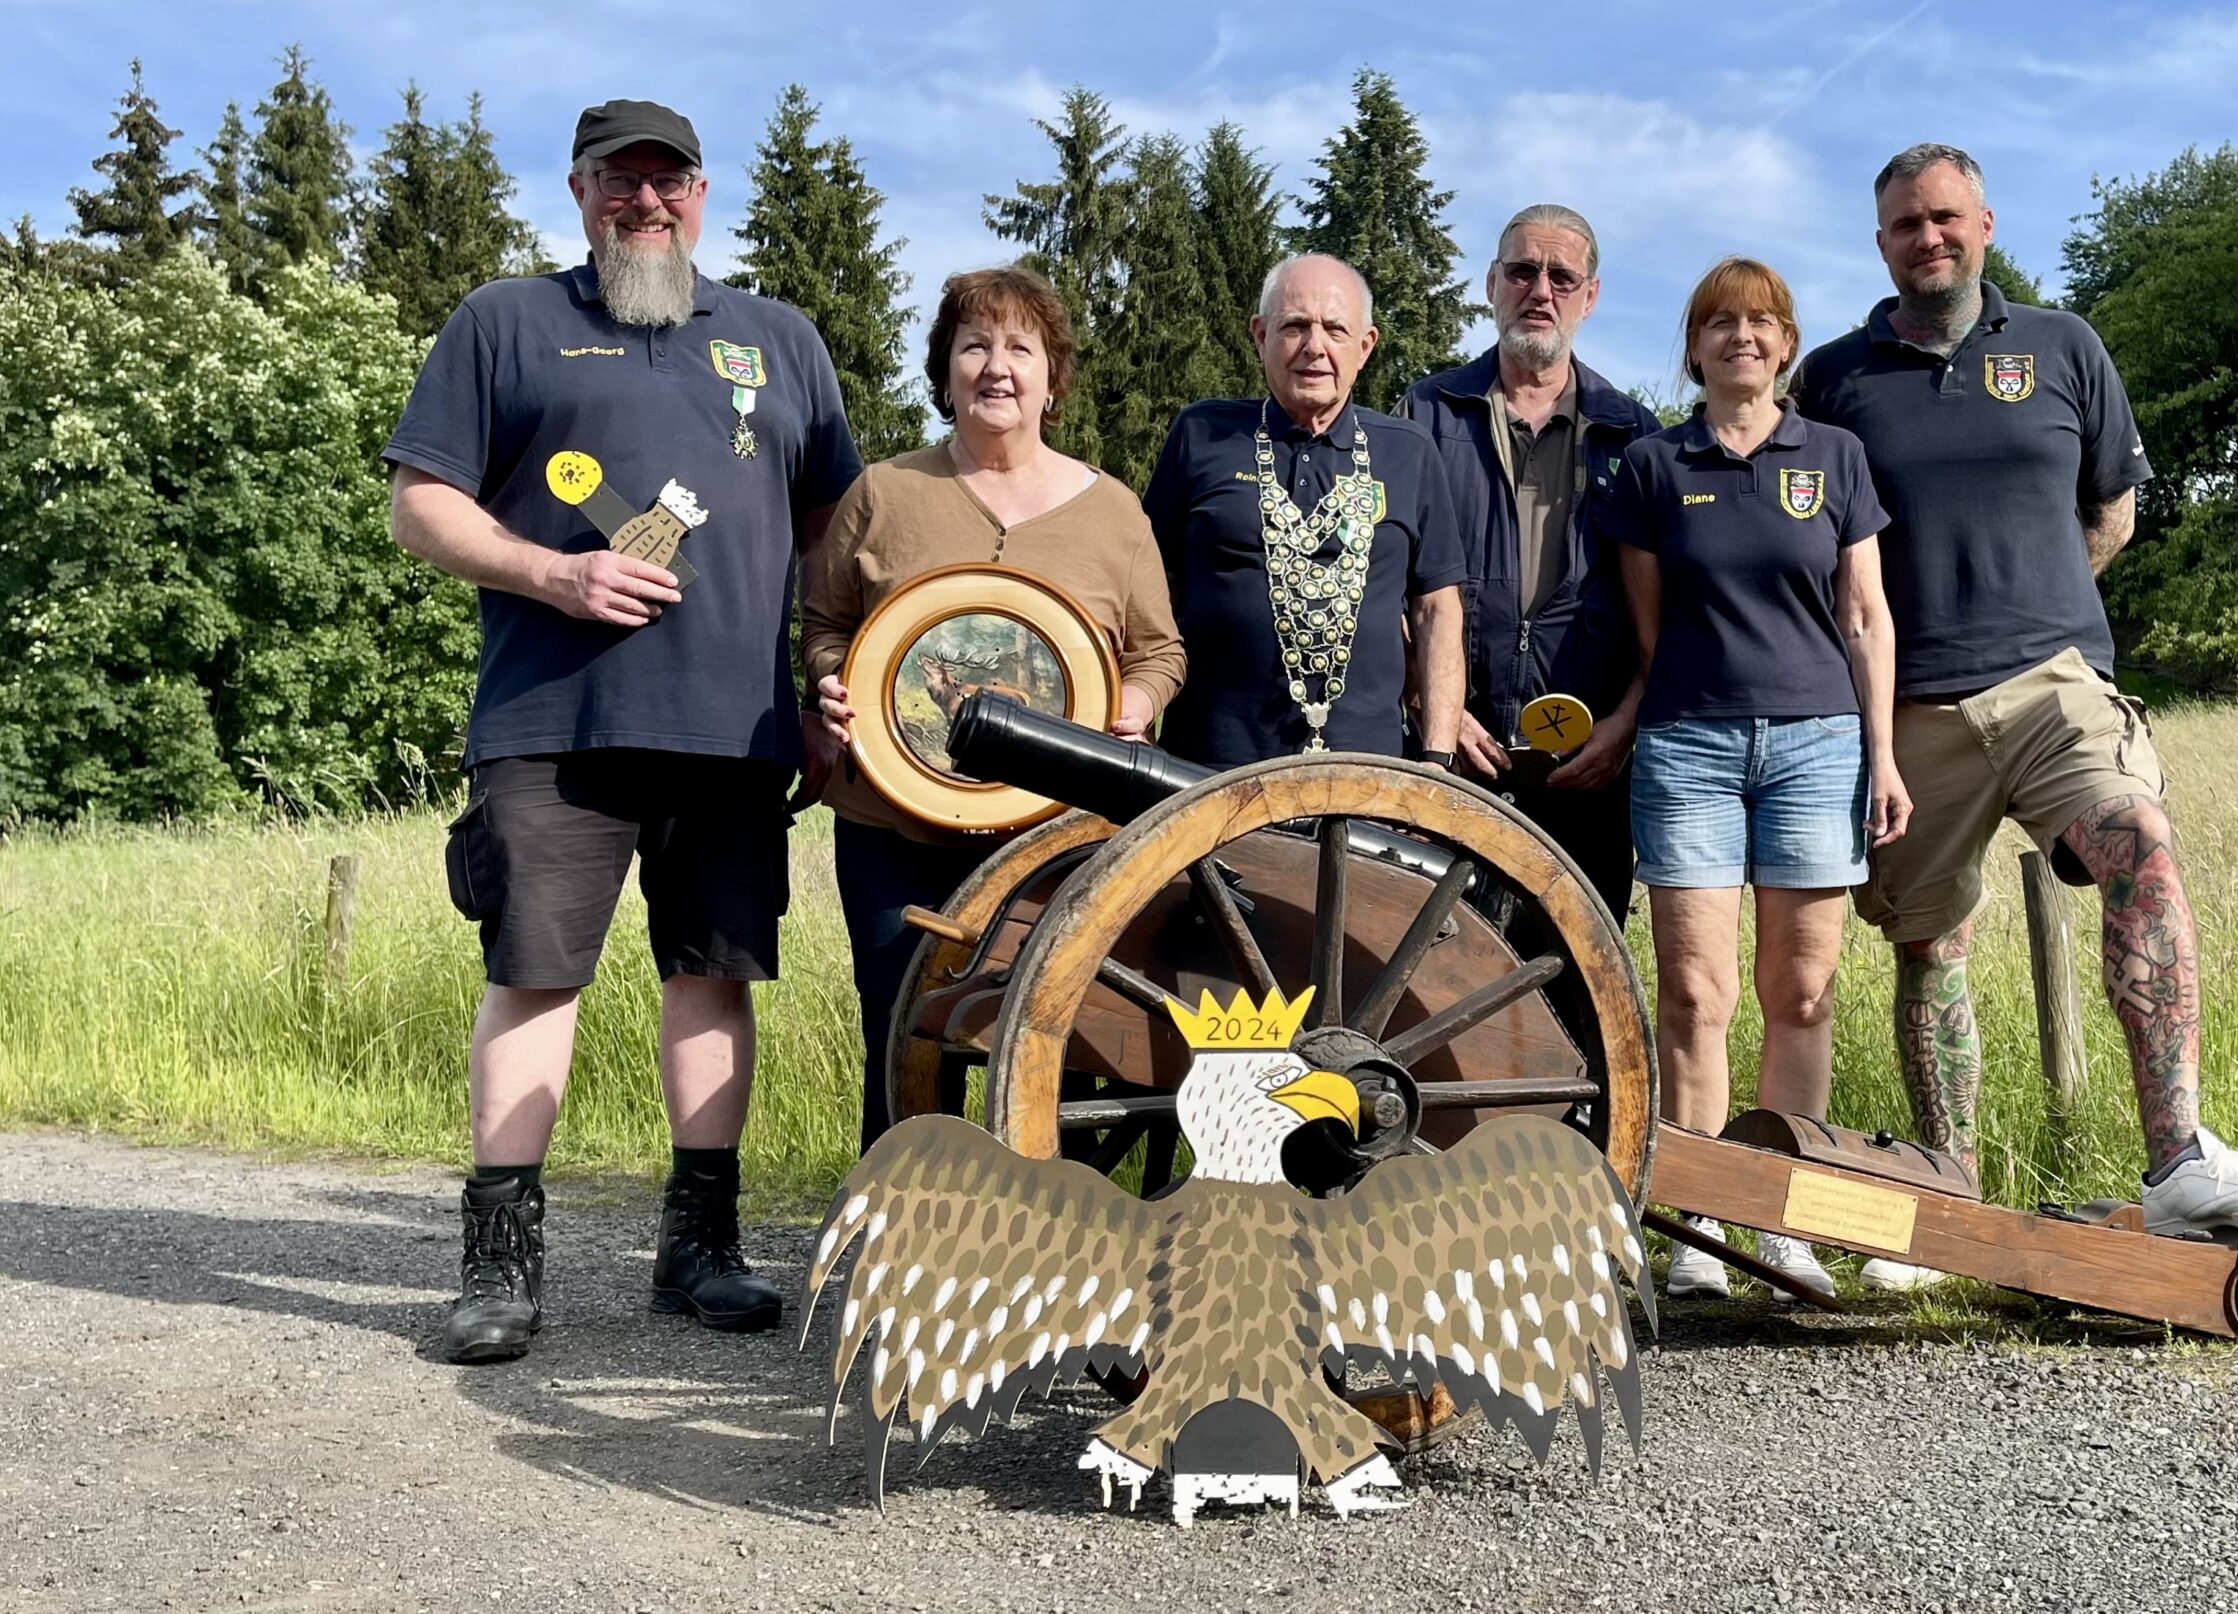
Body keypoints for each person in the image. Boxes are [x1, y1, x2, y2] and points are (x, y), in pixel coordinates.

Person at [1795, 142, 2238, 1289]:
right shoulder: (1834, 379)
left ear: (1983, 221)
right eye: (1902, 225)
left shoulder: (2063, 347)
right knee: (1929, 942)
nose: (1925, 238)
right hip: (1909, 702)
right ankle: (1945, 1194)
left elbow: (2112, 513)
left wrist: (2035, 604)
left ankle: (2178, 1160)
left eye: (1943, 217)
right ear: (1878, 242)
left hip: (2050, 684)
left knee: (2137, 838)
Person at [383, 99, 863, 1363]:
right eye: (619, 181)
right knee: (533, 979)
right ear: (581, 188)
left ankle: (700, 1253)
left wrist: (828, 681)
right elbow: (421, 507)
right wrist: (555, 576)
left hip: (737, 731)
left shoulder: (779, 339)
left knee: (715, 980)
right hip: (553, 722)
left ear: (703, 195)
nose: (645, 204)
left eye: (669, 182)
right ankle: (500, 1270)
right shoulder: (504, 322)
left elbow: (834, 538)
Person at [802, 266, 1186, 1150]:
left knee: (1061, 1046)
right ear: (944, 374)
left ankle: (1047, 1243)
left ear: (1054, 379)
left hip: (1058, 840)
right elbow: (827, 624)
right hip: (895, 829)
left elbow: (1160, 650)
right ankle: (901, 1240)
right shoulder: (884, 494)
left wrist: (1133, 701)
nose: (997, 367)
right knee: (903, 1040)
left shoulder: (1115, 513)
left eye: (1022, 348)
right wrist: (833, 678)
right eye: (974, 346)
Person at [1598, 258, 1911, 1300]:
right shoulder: (1652, 465)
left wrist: (1883, 752)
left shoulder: (1834, 457)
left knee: (1803, 991)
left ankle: (1784, 1223)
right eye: (1719, 322)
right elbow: (1650, 630)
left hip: (1820, 746)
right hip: (1689, 745)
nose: (1742, 336)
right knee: (1694, 995)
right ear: (1692, 346)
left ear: (1785, 345)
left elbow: (1864, 615)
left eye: (1762, 322)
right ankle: (1697, 1226)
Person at [1399, 204, 1661, 920]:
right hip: (1453, 759)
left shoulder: (1635, 436)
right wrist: (1431, 702)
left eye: (1561, 276)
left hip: (1588, 771)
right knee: (1434, 968)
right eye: (1522, 271)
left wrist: (1625, 727)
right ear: (1491, 284)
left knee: (1577, 986)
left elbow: (1665, 617)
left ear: (1590, 296)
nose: (1540, 290)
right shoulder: (1426, 414)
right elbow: (1389, 582)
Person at [1144, 254, 1466, 769]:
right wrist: (1138, 721)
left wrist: (1436, 760)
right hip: (1206, 773)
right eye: (1295, 326)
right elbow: (1150, 593)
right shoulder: (1201, 433)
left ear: (1365, 347)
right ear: (1259, 335)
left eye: (1335, 330)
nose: (1315, 347)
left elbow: (1436, 610)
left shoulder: (1408, 451)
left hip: (1369, 777)